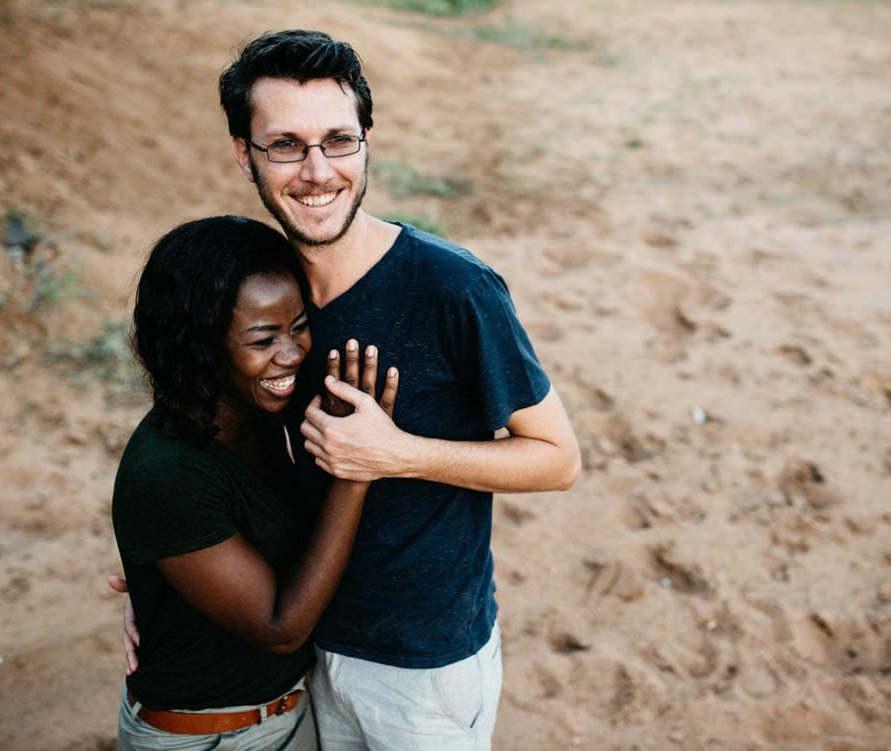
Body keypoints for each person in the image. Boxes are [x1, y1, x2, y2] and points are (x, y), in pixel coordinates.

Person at [118, 29, 581, 750]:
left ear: (367, 141)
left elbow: (556, 458)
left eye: (338, 140)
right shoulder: (265, 289)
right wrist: (161, 571)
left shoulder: (451, 287)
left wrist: (394, 454)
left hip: (418, 662)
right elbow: (203, 438)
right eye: (285, 144)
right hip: (307, 657)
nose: (315, 171)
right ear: (244, 153)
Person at [111, 215, 398, 751]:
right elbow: (280, 626)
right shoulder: (170, 470)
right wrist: (353, 472)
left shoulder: (258, 413)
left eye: (298, 325)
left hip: (285, 713)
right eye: (264, 338)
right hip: (208, 739)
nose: (291, 353)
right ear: (198, 344)